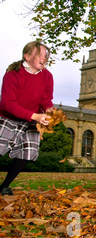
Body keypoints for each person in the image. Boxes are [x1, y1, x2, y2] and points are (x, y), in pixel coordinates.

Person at [0, 41, 54, 195]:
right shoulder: (13, 74)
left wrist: (49, 110)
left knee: (27, 152)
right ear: (27, 56)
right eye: (40, 55)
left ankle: (4, 185)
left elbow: (45, 99)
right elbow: (8, 103)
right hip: (8, 117)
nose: (44, 58)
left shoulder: (47, 76)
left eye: (46, 55)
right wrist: (34, 115)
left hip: (31, 120)